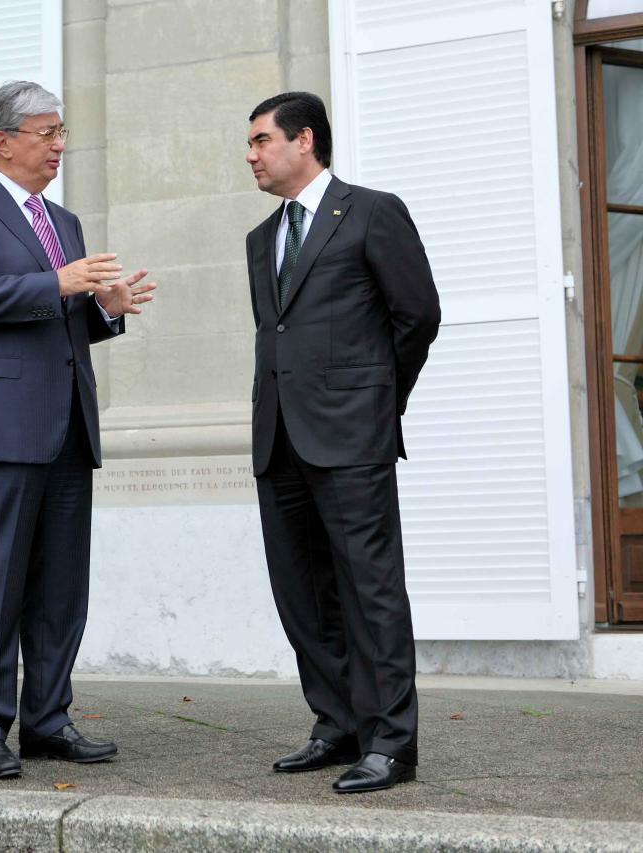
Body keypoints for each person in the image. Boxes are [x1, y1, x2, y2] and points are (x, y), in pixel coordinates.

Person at [0, 80, 156, 778]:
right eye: (47, 131)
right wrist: (58, 284)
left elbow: (62, 319)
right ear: (5, 141)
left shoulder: (66, 221)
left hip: (67, 426)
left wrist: (105, 308)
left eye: (61, 131)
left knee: (59, 587)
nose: (61, 144)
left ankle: (48, 721)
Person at [243, 91, 440, 793]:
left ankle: (392, 741)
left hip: (352, 438)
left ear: (304, 140)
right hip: (280, 441)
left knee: (371, 591)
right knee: (303, 593)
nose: (252, 154)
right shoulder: (260, 238)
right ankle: (337, 724)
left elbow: (417, 315)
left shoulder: (370, 212)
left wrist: (375, 407)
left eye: (262, 140)